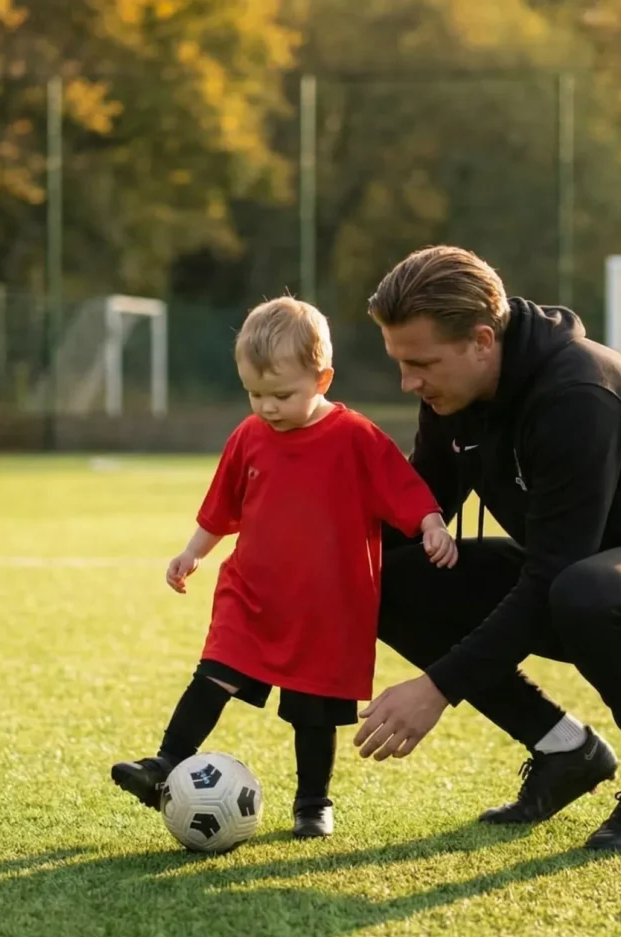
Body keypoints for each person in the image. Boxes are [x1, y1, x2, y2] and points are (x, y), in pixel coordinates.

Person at [353, 245, 621, 852]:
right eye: (401, 364)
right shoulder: (453, 395)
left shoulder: (579, 395)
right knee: (390, 579)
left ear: (482, 340)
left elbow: (553, 574)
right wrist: (312, 563)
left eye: (422, 363)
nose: (410, 382)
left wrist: (436, 687)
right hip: (577, 577)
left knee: (587, 589)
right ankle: (564, 750)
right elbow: (415, 509)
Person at [111, 296, 456, 838]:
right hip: (252, 595)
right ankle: (163, 765)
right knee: (213, 674)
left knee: (313, 711)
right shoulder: (248, 437)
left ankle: (314, 801)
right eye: (254, 394)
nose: (267, 407)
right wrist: (193, 551)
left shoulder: (355, 437)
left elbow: (403, 489)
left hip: (328, 607)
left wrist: (431, 524)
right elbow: (222, 507)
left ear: (322, 379)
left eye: (281, 394)